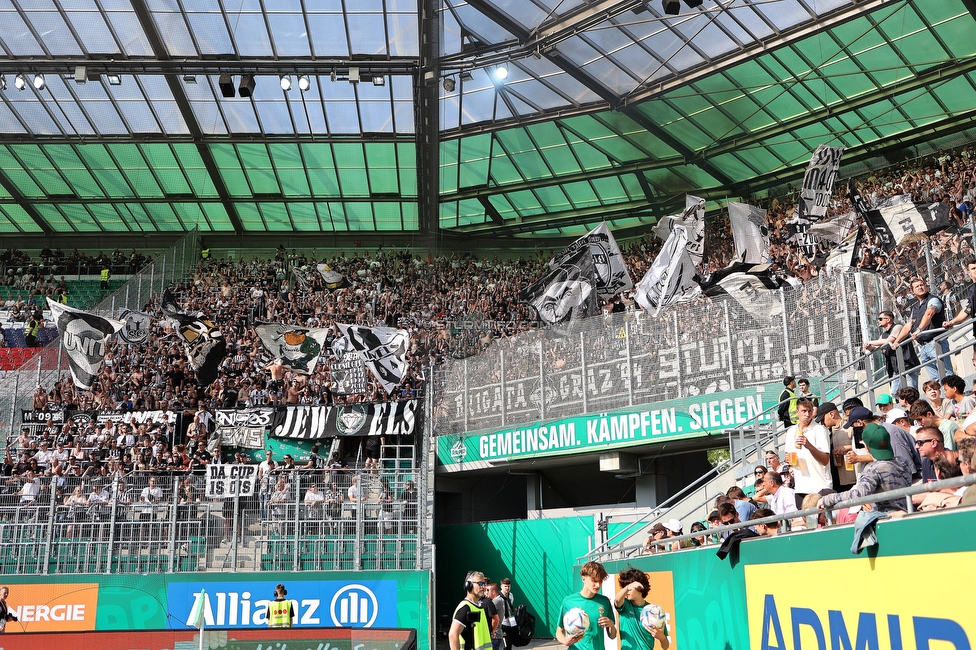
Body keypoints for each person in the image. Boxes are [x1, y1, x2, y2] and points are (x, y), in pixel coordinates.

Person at [818, 423, 913, 513]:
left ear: (867, 447)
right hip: (908, 512)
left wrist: (827, 499)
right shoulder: (902, 461)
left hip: (885, 520)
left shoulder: (873, 469)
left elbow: (858, 494)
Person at [892, 277, 953, 380]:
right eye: (917, 286)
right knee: (935, 380)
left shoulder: (933, 300)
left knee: (947, 374)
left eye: (922, 285)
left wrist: (919, 330)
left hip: (936, 342)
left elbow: (929, 314)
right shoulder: (915, 308)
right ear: (912, 291)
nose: (920, 287)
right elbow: (908, 325)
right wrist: (896, 342)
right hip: (923, 347)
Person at [555, 561, 617, 650]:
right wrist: (564, 641)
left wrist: (611, 625)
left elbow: (612, 635)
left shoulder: (604, 601)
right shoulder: (568, 601)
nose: (598, 585)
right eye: (594, 581)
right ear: (583, 579)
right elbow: (559, 630)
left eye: (600, 581)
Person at [784, 398, 832, 507]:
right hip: (801, 487)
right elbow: (788, 458)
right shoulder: (791, 431)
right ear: (797, 412)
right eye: (804, 411)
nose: (807, 414)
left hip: (820, 486)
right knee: (804, 521)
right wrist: (787, 460)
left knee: (822, 521)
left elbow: (825, 460)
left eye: (810, 411)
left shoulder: (820, 430)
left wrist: (809, 445)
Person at [614, 568, 670, 650]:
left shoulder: (654, 611)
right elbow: (617, 600)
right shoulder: (625, 605)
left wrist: (662, 637)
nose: (627, 590)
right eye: (625, 587)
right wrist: (627, 588)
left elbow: (666, 646)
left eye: (631, 587)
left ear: (640, 588)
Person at [862, 311, 919, 391]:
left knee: (912, 391)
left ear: (888, 319)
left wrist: (870, 342)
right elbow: (875, 346)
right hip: (896, 368)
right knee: (895, 392)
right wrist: (867, 347)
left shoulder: (897, 327)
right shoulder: (883, 335)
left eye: (880, 319)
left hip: (908, 364)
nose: (878, 321)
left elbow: (889, 340)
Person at [942, 256, 976, 368]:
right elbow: (967, 311)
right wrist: (951, 322)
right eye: (973, 268)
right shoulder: (972, 290)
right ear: (968, 272)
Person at [449, 571, 492, 650]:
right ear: (469, 585)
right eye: (479, 583)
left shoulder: (478, 607)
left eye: (484, 584)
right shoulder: (465, 608)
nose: (483, 587)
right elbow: (453, 634)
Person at [495, 578, 517, 650]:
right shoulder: (498, 596)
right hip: (502, 623)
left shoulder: (511, 595)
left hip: (510, 623)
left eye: (508, 586)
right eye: (505, 586)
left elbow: (509, 608)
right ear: (501, 586)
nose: (507, 588)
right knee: (506, 644)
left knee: (509, 644)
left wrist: (516, 609)